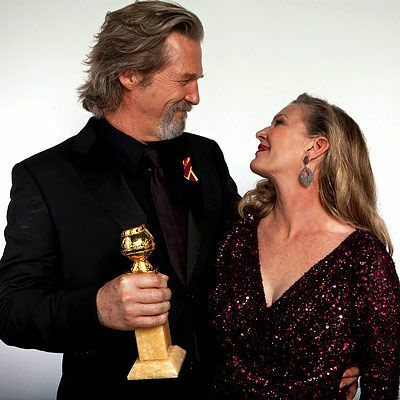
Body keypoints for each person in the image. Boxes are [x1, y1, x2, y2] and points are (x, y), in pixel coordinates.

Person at [0, 2, 359, 399]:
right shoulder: (46, 176)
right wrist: (97, 308)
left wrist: (326, 351)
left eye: (197, 79)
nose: (196, 96)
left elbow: (255, 259)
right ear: (130, 74)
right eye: (184, 80)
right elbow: (11, 309)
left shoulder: (204, 155)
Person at [209, 93, 400, 399]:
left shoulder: (363, 259)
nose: (262, 132)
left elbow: (383, 386)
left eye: (279, 122)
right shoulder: (238, 237)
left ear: (316, 146)